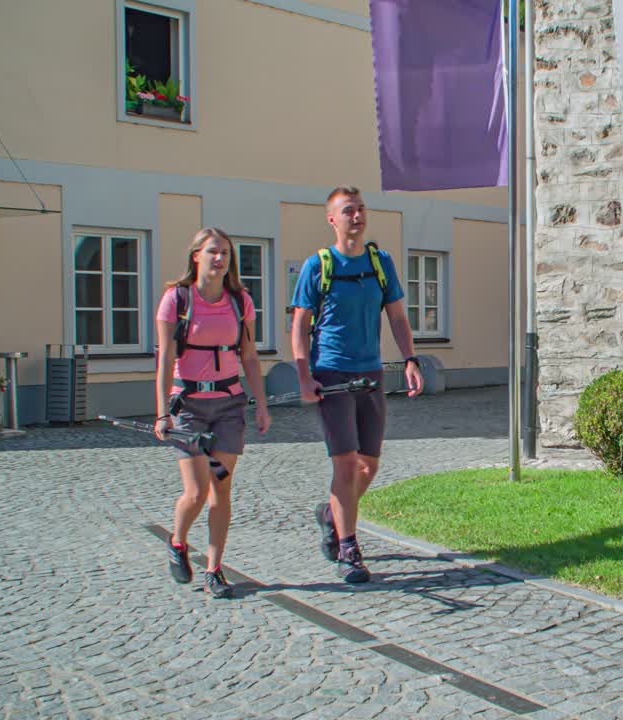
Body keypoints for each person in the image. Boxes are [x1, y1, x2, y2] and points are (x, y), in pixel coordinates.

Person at [291, 186, 423, 583]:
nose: (357, 215)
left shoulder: (380, 263)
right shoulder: (319, 265)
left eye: (361, 209)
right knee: (346, 464)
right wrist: (304, 376)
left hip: (371, 374)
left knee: (369, 466)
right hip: (331, 374)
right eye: (348, 210)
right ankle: (349, 548)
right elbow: (299, 325)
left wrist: (410, 358)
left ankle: (331, 513)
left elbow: (398, 317)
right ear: (332, 219)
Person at [155, 227, 271, 598]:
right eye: (212, 252)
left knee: (221, 487)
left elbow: (249, 356)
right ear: (196, 256)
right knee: (196, 491)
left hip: (229, 404)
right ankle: (177, 541)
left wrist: (262, 405)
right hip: (188, 407)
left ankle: (214, 569)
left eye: (224, 253)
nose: (219, 259)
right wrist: (162, 413)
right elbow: (165, 360)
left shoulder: (240, 301)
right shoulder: (177, 299)